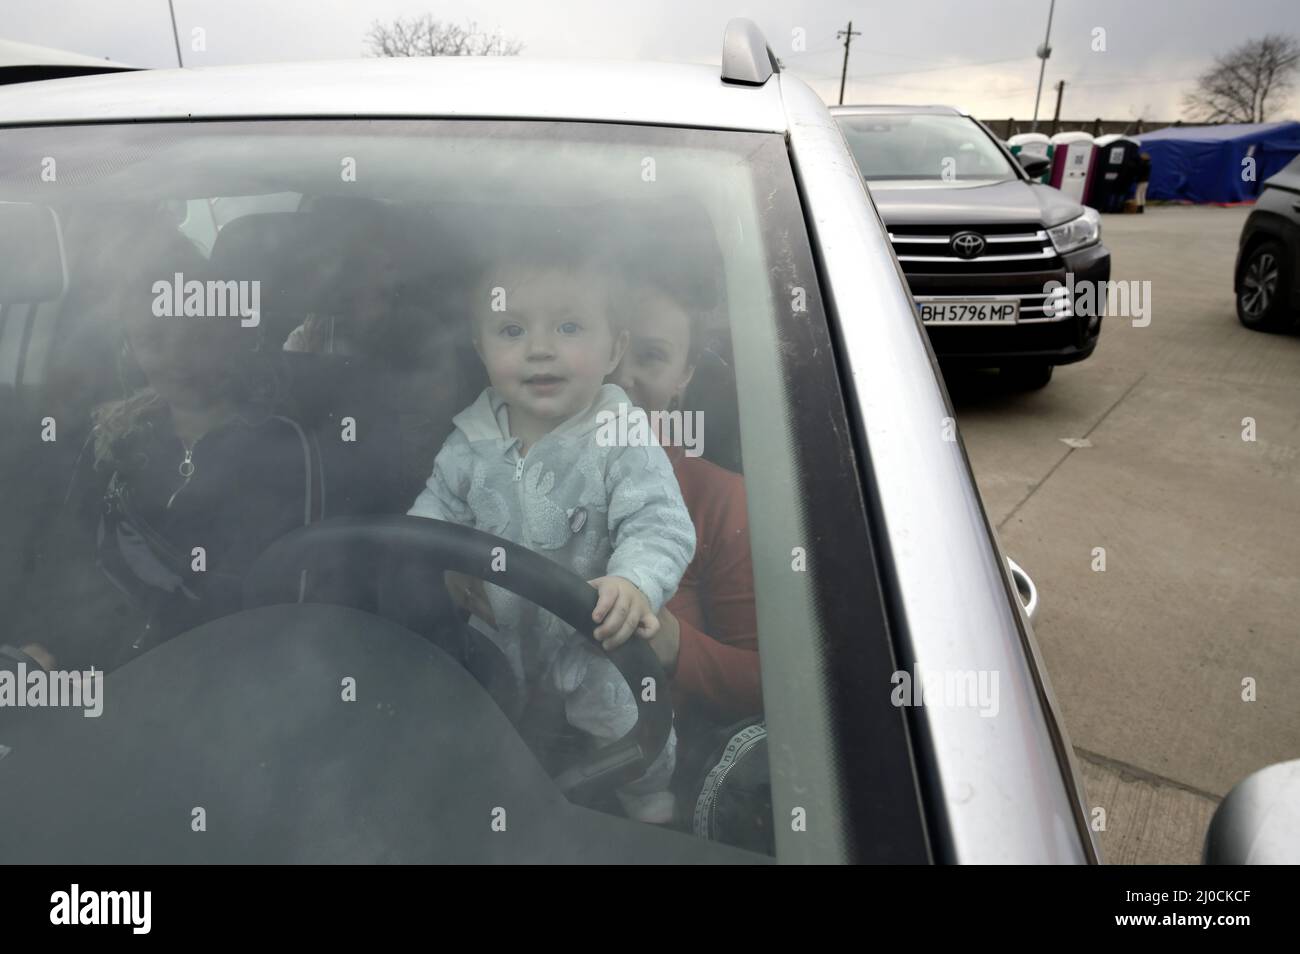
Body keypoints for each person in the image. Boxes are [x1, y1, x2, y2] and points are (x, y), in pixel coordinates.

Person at [406, 251, 696, 824]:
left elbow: (659, 523)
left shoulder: (621, 433)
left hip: (593, 636)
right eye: (511, 330)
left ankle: (651, 808)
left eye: (568, 327)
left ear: (615, 349)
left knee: (631, 732)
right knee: (487, 729)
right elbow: (432, 513)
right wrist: (434, 560)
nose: (539, 348)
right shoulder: (471, 438)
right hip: (495, 634)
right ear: (481, 348)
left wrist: (633, 581)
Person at [17, 241, 323, 672]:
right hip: (93, 655)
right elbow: (67, 551)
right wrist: (44, 643)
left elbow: (267, 599)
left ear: (232, 332)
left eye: (196, 337)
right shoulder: (111, 432)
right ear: (130, 346)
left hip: (204, 672)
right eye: (152, 338)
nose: (177, 358)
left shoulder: (277, 445)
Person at [605, 281, 762, 728]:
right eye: (606, 345)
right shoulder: (489, 470)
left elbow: (765, 688)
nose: (619, 377)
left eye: (651, 355)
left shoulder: (721, 501)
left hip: (654, 773)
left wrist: (673, 643)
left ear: (685, 375)